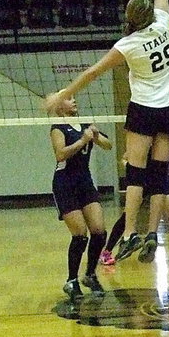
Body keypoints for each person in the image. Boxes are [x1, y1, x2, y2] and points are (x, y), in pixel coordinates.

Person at [45, 0, 169, 268]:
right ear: (149, 14)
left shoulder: (129, 44)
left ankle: (132, 231)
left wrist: (62, 93)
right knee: (160, 176)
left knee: (135, 173)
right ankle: (153, 233)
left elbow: (91, 72)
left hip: (145, 110)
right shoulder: (165, 25)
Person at [50, 95, 113, 299]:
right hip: (65, 184)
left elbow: (108, 145)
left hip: (85, 183)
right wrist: (83, 140)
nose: (74, 100)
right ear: (60, 106)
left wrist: (95, 136)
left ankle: (90, 274)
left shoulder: (86, 124)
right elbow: (60, 154)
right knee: (79, 235)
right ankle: (71, 280)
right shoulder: (58, 128)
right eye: (69, 98)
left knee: (99, 231)